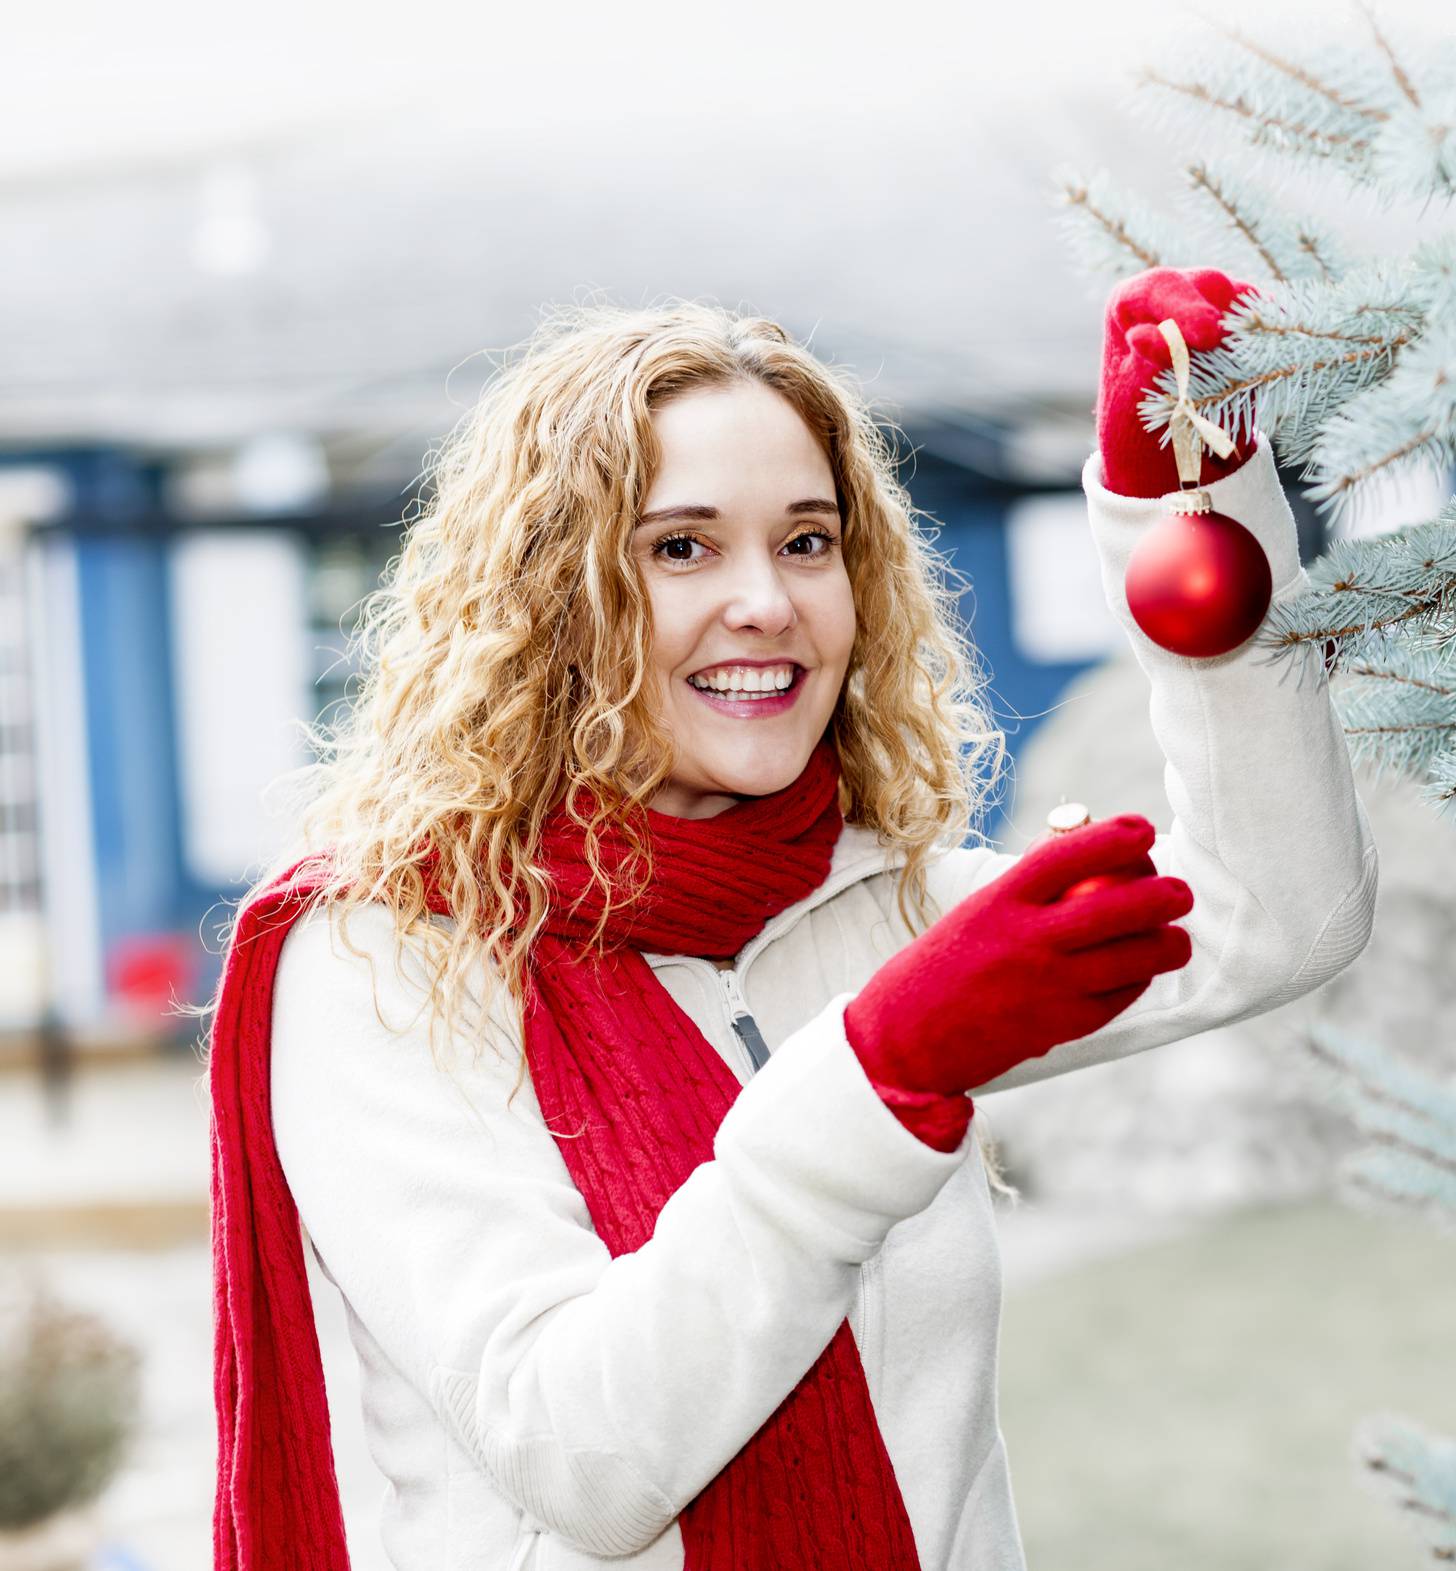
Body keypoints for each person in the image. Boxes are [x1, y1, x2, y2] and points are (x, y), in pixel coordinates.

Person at [201, 267, 1379, 1571]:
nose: (766, 599)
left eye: (808, 540)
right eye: (681, 546)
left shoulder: (883, 901)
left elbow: (1280, 918)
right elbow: (583, 1458)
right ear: (553, 601)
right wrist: (878, 1075)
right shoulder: (383, 954)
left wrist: (1188, 519)